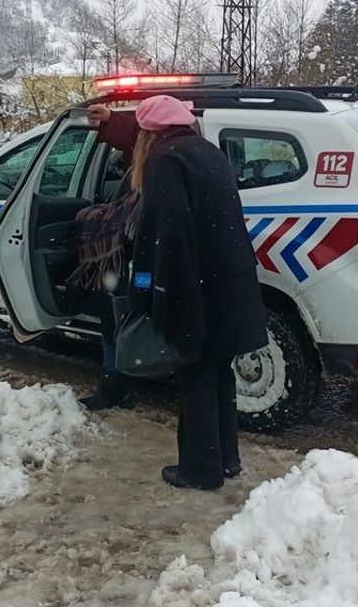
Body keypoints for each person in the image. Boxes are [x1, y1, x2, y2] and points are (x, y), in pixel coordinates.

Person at [125, 95, 267, 491]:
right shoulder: (208, 153)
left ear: (148, 134)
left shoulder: (163, 162)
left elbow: (162, 238)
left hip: (194, 288)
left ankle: (200, 469)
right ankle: (226, 459)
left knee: (196, 377)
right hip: (230, 283)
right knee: (219, 372)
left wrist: (146, 292)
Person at [70, 105, 141, 410]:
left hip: (134, 254)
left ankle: (115, 385)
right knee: (120, 313)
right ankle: (121, 378)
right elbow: (136, 134)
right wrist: (113, 120)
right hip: (142, 252)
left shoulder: (163, 155)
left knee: (113, 310)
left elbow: (138, 133)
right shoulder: (179, 147)